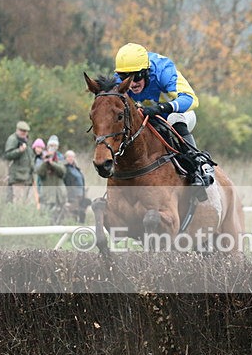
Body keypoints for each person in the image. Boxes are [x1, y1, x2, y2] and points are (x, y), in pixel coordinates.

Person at [113, 42, 214, 200]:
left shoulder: (164, 70)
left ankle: (197, 168)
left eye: (137, 76)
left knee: (174, 118)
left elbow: (191, 99)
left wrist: (162, 108)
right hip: (146, 122)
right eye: (125, 77)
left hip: (177, 116)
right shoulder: (119, 81)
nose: (131, 83)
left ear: (146, 71)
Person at [35, 136, 66, 223]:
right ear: (47, 147)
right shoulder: (41, 158)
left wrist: (52, 163)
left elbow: (62, 172)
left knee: (59, 218)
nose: (52, 148)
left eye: (54, 146)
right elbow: (39, 172)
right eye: (51, 146)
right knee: (46, 217)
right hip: (46, 193)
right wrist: (45, 162)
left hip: (58, 193)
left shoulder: (59, 158)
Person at [3, 121, 34, 203]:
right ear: (17, 130)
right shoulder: (13, 139)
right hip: (18, 177)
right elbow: (8, 155)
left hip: (26, 176)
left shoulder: (26, 141)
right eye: (22, 130)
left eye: (25, 131)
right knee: (17, 201)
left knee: (25, 202)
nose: (24, 133)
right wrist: (19, 151)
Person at [63, 149, 89, 224]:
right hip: (72, 194)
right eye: (69, 157)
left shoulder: (77, 169)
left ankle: (81, 227)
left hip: (81, 193)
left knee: (81, 212)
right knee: (73, 212)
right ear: (66, 158)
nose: (71, 158)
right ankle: (72, 227)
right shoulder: (65, 169)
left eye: (72, 157)